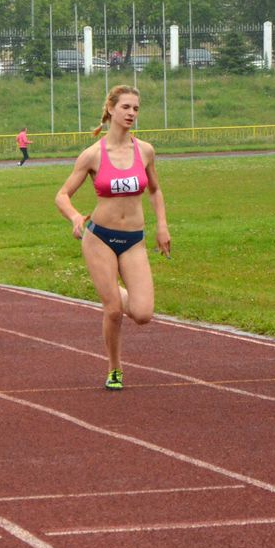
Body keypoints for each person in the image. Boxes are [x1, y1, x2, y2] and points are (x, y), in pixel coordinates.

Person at [54, 85, 171, 391]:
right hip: (100, 238)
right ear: (111, 110)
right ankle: (115, 368)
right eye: (126, 107)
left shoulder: (145, 151)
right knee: (113, 311)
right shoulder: (93, 155)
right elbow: (62, 195)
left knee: (143, 313)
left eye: (136, 108)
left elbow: (155, 191)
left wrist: (162, 226)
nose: (132, 113)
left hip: (134, 239)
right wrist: (76, 217)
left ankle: (112, 291)